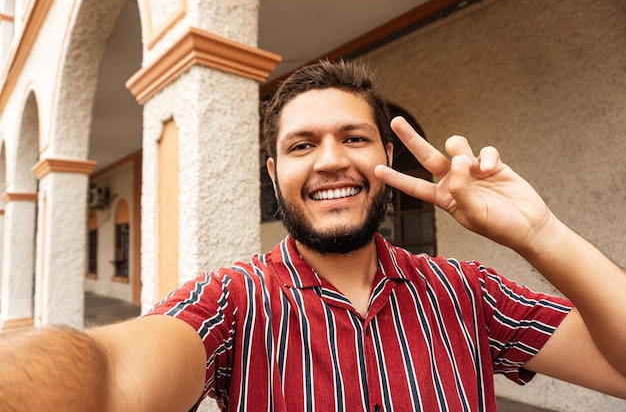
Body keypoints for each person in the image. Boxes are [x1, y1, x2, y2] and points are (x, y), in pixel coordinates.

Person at [1, 60, 625, 412]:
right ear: (275, 175)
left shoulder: (467, 292)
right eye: (302, 145)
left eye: (354, 138)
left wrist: (542, 234)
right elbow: (109, 377)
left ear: (387, 155)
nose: (331, 161)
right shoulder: (232, 301)